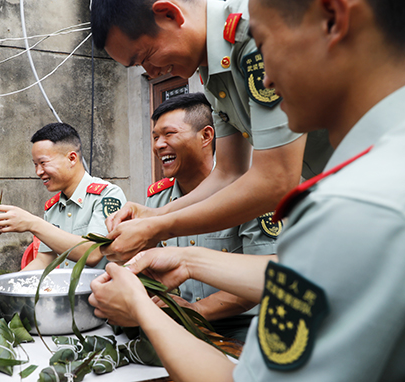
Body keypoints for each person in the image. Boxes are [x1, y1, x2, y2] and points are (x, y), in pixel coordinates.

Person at [89, 0, 405, 380]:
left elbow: (275, 181)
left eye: (266, 44)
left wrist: (142, 305)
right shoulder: (380, 168)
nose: (266, 79)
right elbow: (231, 175)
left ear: (334, 19)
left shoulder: (344, 207)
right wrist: (166, 230)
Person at [90, 0, 333, 262]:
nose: (151, 72)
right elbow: (228, 172)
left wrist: (160, 228)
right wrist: (154, 215)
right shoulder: (210, 70)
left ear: (170, 14)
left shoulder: (253, 32)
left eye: (146, 57)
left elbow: (276, 180)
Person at [145, 92, 277, 341]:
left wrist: (196, 311)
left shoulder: (248, 194)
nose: (158, 145)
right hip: (180, 325)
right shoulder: (156, 201)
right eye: (155, 137)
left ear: (206, 135)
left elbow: (268, 273)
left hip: (244, 328)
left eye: (169, 134)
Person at [0, 122, 127, 270]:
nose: (38, 172)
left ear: (72, 158)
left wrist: (32, 223)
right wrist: (10, 285)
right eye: (35, 164)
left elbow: (92, 253)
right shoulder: (53, 207)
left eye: (43, 163)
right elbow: (43, 261)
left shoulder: (107, 195)